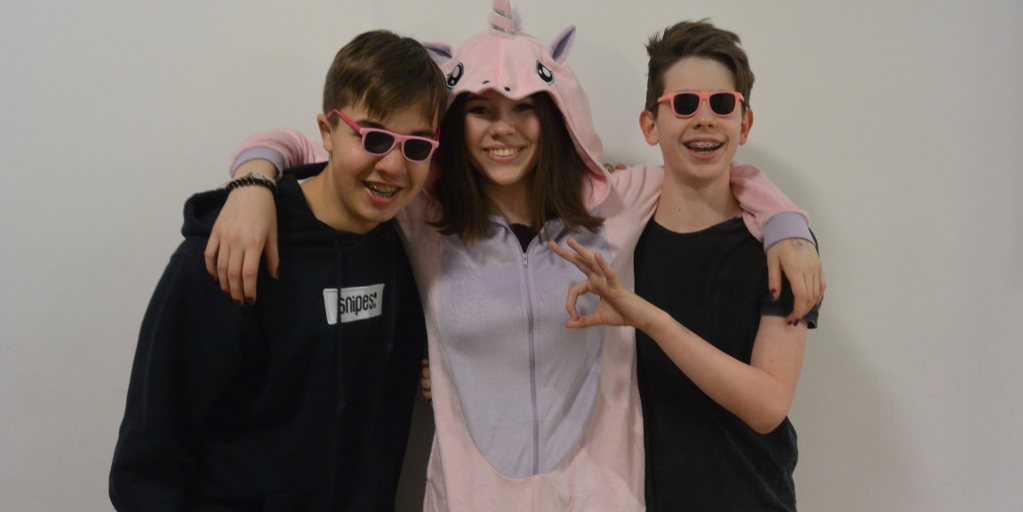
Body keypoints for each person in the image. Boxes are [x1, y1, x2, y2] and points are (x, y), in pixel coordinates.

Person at [206, 2, 824, 510]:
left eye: (524, 107)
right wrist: (253, 182)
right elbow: (310, 145)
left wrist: (788, 227)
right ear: (456, 122)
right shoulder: (422, 213)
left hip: (601, 496)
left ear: (554, 117)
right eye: (480, 110)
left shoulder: (614, 202)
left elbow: (716, 171)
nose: (503, 128)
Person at [108, 30, 446, 511]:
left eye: (416, 147)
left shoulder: (408, 247)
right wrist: (253, 178)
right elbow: (145, 467)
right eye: (373, 137)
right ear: (327, 132)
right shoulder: (232, 249)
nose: (393, 165)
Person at [551, 20, 819, 511]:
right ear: (650, 125)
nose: (704, 119)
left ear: (745, 124)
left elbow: (768, 405)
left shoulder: (780, 249)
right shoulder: (621, 232)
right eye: (685, 104)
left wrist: (653, 321)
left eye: (722, 104)